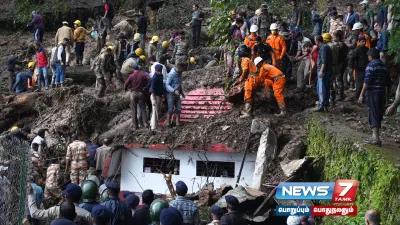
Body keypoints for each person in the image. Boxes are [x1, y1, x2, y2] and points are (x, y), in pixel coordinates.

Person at [358, 48, 389, 146]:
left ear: (370, 56)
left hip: (373, 93)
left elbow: (367, 81)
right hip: (381, 93)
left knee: (373, 113)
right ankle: (374, 136)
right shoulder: (384, 66)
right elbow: (388, 83)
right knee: (378, 114)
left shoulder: (371, 65)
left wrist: (361, 94)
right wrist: (387, 97)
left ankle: (375, 138)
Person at [124, 63, 151, 129]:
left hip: (133, 94)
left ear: (133, 69)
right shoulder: (142, 74)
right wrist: (146, 87)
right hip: (141, 93)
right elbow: (150, 80)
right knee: (143, 109)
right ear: (138, 68)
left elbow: (126, 84)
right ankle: (146, 124)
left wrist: (126, 89)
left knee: (134, 111)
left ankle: (135, 126)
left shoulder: (131, 76)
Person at [314, 35, 332, 112]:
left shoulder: (323, 48)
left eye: (315, 41)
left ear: (317, 41)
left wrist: (321, 71)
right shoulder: (326, 46)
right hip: (328, 70)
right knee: (326, 88)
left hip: (324, 71)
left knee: (321, 89)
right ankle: (325, 104)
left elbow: (324, 61)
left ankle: (321, 105)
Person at [165, 62, 186, 127]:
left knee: (179, 108)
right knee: (170, 109)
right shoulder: (172, 74)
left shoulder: (180, 73)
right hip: (170, 94)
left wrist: (181, 92)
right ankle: (168, 124)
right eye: (183, 69)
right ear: (179, 68)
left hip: (177, 93)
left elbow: (179, 84)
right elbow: (167, 85)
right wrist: (173, 91)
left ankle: (177, 123)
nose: (183, 70)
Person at [323, 33, 339, 103]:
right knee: (334, 82)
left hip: (331, 66)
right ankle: (333, 97)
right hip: (336, 65)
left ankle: (331, 98)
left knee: (329, 83)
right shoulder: (335, 45)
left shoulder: (327, 47)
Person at [333, 30, 348, 100]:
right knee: (339, 78)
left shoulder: (339, 45)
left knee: (339, 79)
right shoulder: (343, 44)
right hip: (342, 63)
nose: (333, 38)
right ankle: (340, 94)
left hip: (340, 63)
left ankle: (340, 95)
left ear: (338, 37)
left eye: (334, 37)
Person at [150, 64, 164, 130]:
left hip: (160, 95)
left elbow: (161, 86)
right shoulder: (154, 78)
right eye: (158, 71)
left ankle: (154, 123)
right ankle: (153, 127)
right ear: (155, 70)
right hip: (155, 95)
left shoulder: (161, 75)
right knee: (155, 111)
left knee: (157, 110)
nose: (159, 72)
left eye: (160, 71)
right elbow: (152, 89)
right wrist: (153, 99)